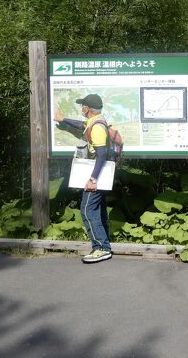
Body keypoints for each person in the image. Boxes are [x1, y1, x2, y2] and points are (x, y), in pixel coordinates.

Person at [54, 94, 112, 264]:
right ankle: (104, 244)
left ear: (87, 108)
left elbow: (101, 154)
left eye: (82, 106)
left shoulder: (98, 127)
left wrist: (93, 179)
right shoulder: (95, 122)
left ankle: (101, 248)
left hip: (97, 175)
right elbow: (80, 124)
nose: (81, 109)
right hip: (100, 174)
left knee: (87, 209)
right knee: (98, 210)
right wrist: (62, 119)